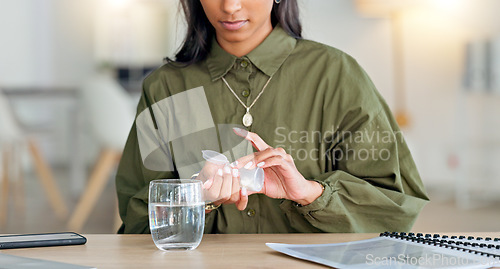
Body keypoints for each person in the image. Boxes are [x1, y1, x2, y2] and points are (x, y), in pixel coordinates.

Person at [115, 0, 429, 234]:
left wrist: (310, 193)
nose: (230, 7)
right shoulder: (166, 87)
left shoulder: (335, 75)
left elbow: (396, 206)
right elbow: (136, 221)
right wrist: (197, 196)